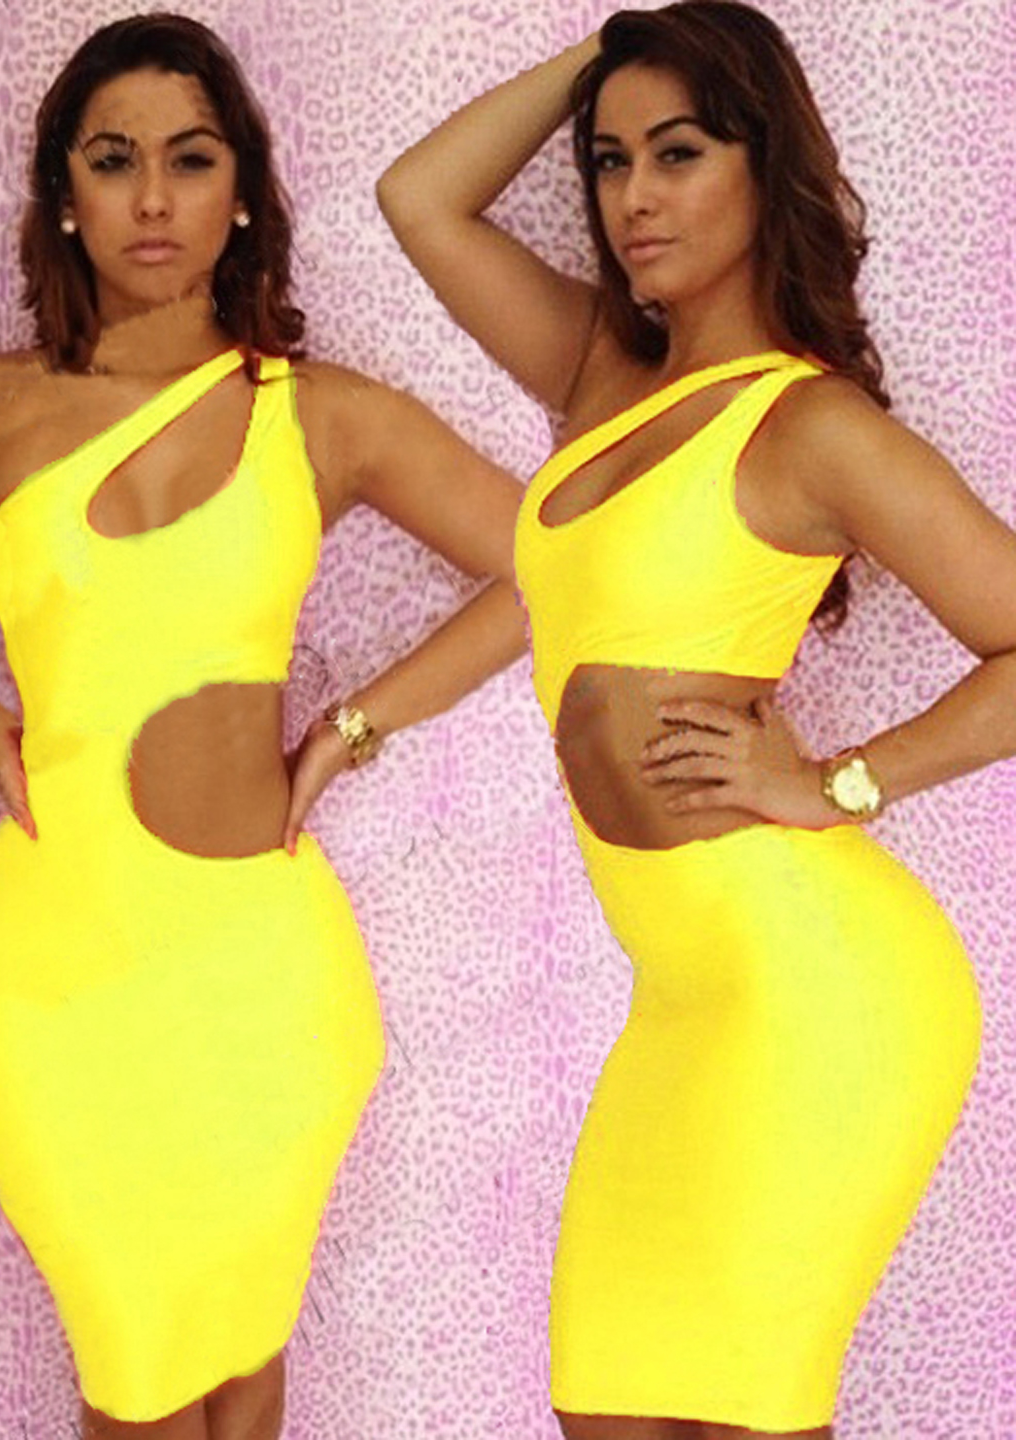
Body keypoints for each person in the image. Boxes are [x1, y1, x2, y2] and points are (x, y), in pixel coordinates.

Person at [377, 4, 1016, 1437]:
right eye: (610, 161)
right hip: (678, 1001)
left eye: (678, 152)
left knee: (746, 1416)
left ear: (761, 163)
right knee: (607, 1405)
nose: (632, 198)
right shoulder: (600, 374)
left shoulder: (811, 428)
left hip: (820, 998)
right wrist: (610, 50)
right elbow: (419, 198)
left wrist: (843, 782)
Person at [0, 14, 527, 1440]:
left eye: (191, 158)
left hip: (265, 988)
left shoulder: (324, 418)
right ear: (64, 193)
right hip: (52, 988)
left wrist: (354, 725)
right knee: (138, 1378)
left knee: (242, 1362)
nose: (153, 197)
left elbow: (552, 562)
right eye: (113, 160)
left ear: (243, 191)